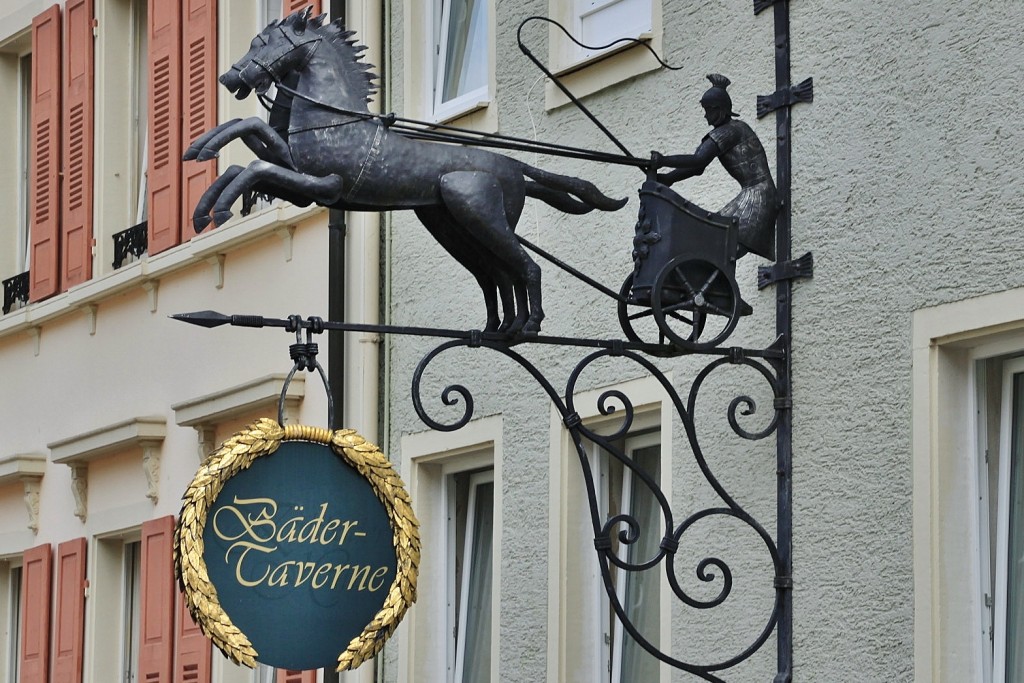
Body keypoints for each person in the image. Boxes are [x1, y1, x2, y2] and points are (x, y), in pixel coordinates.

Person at [655, 74, 778, 261]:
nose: (705, 115)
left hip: (758, 196)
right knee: (713, 236)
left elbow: (698, 160)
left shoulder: (729, 131)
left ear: (718, 109)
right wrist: (669, 178)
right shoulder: (736, 128)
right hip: (755, 193)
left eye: (708, 110)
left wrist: (663, 161)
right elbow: (697, 167)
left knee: (720, 242)